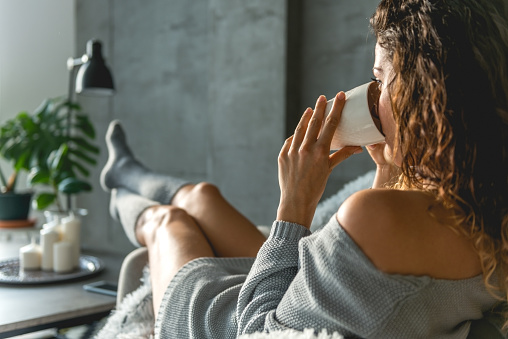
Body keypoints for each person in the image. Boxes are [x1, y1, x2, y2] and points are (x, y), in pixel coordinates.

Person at [100, 0, 508, 337]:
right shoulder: (488, 211)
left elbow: (255, 331)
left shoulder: (371, 217)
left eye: (381, 81)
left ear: (421, 92)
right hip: (283, 300)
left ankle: (121, 196)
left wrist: (294, 205)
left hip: (217, 323)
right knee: (202, 197)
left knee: (169, 222)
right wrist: (387, 173)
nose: (374, 96)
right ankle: (124, 172)